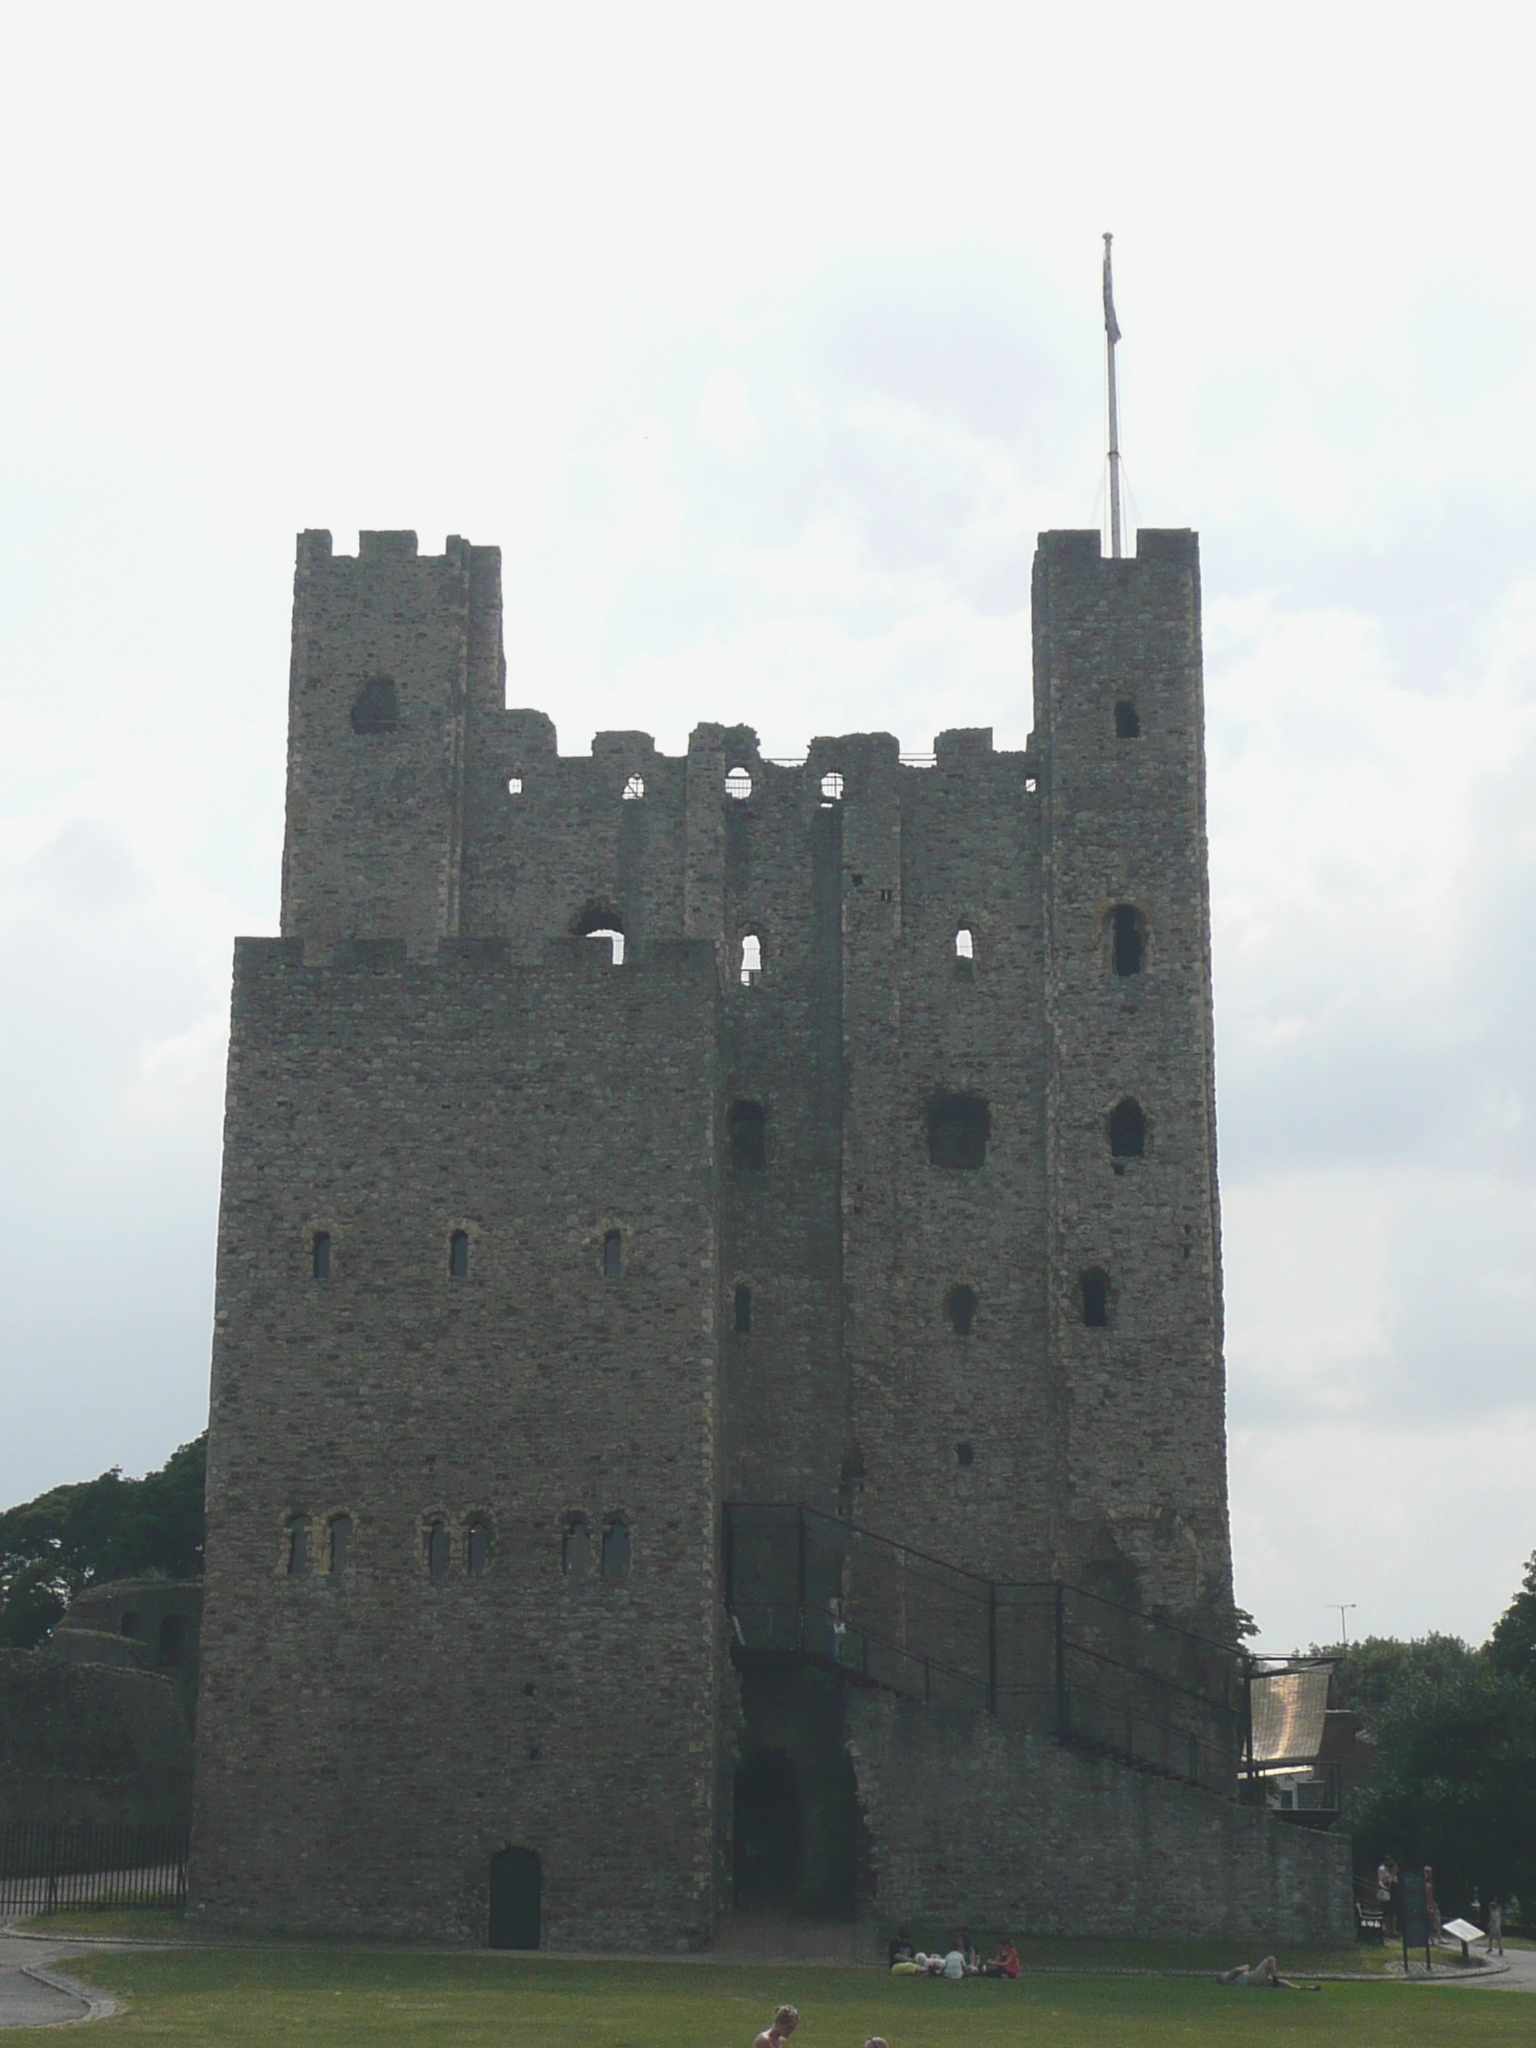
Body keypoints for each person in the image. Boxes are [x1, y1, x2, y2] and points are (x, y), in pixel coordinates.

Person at [1216, 1957, 1319, 1990]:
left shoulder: (1230, 1981)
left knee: (1283, 1983)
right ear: (1223, 1976)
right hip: (1253, 1978)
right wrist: (1245, 1968)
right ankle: (1274, 1979)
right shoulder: (1229, 1977)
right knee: (1270, 1959)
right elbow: (1245, 1966)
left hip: (1255, 1981)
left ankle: (1304, 1988)